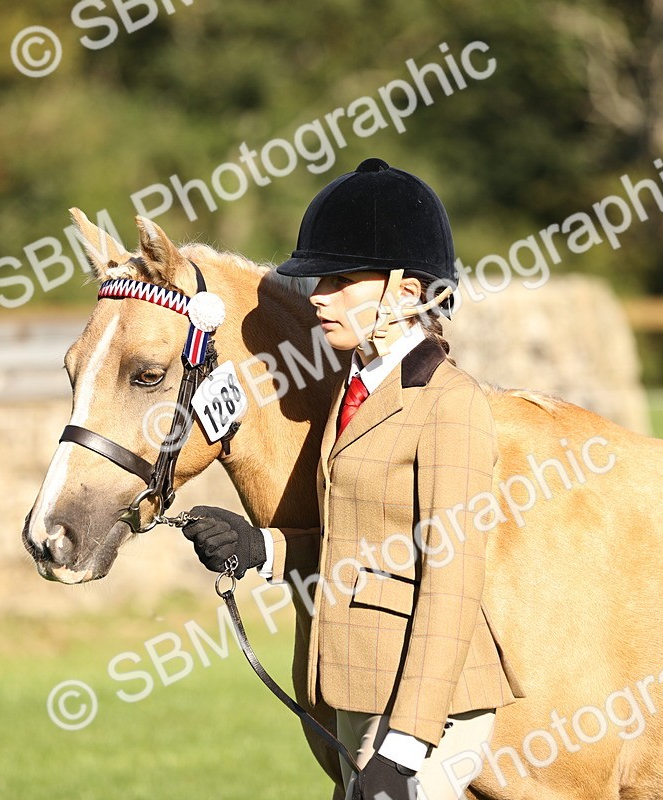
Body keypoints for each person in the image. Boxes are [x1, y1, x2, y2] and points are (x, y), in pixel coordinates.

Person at [183, 157, 524, 800]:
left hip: (425, 711)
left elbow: (451, 582)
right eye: (319, 278)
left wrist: (406, 748)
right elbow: (361, 544)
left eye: (340, 280)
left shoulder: (449, 404)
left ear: (406, 292)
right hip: (357, 690)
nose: (317, 295)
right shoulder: (355, 390)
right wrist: (261, 548)